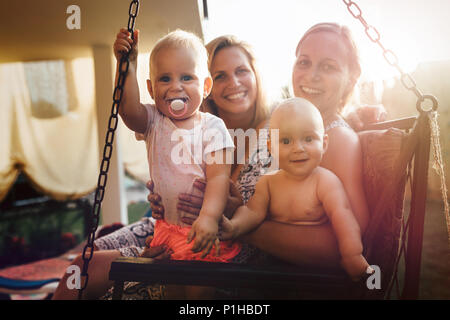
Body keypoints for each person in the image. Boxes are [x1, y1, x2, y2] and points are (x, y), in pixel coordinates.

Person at [53, 24, 382, 300]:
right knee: (77, 271)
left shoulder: (334, 139)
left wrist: (233, 222)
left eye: (329, 66)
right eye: (304, 62)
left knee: (82, 278)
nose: (310, 75)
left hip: (221, 262)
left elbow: (344, 245)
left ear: (352, 77)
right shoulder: (282, 123)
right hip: (183, 233)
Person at [220, 97, 371, 280]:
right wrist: (234, 226)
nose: (298, 148)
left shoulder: (325, 182)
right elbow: (252, 212)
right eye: (285, 141)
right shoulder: (268, 182)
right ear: (271, 147)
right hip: (273, 265)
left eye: (308, 139)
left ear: (324, 144)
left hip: (310, 270)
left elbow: (343, 218)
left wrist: (352, 255)